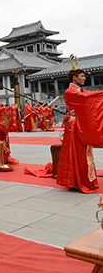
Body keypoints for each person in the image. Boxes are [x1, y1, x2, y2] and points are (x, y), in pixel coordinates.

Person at [56, 55, 103, 193]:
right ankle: (77, 180)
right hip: (75, 127)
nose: (85, 78)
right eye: (82, 76)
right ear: (74, 78)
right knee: (79, 155)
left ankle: (83, 179)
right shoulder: (71, 92)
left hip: (80, 125)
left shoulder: (80, 91)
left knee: (85, 154)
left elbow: (90, 97)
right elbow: (89, 99)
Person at [0, 95, 21, 164]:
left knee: (4, 139)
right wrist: (12, 107)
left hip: (0, 124)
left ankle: (5, 157)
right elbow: (0, 110)